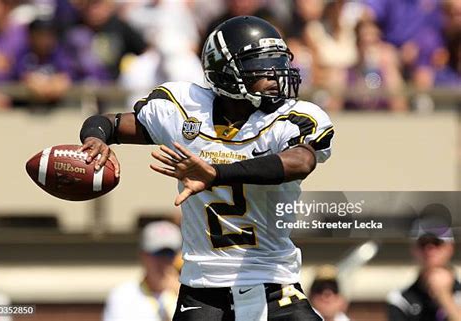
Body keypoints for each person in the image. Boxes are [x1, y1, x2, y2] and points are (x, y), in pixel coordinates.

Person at [79, 16, 334, 321]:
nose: (275, 74)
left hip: (274, 280)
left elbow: (301, 162)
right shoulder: (184, 109)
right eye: (261, 65)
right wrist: (95, 139)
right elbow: (109, 122)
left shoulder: (293, 117)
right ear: (225, 71)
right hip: (202, 288)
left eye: (278, 62)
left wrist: (216, 174)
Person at [103, 220, 182, 321]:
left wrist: (182, 294)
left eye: (170, 254)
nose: (164, 262)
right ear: (143, 255)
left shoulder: (187, 295)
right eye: (158, 254)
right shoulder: (123, 296)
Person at [387, 224, 461, 321]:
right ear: (413, 249)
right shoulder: (401, 300)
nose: (430, 249)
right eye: (423, 244)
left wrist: (444, 297)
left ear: (450, 247)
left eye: (436, 243)